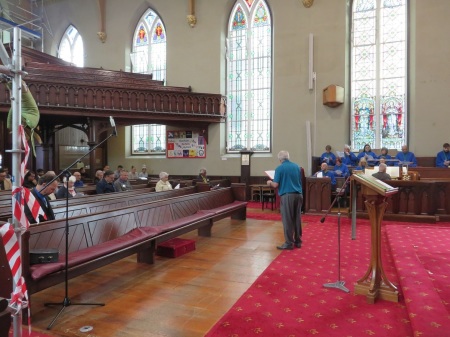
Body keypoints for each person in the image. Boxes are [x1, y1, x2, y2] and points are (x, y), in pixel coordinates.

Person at [266, 150, 303, 250]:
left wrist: (269, 182)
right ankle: (298, 241)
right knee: (297, 218)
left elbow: (276, 184)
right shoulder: (296, 167)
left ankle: (289, 243)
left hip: (287, 196)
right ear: (288, 157)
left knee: (287, 219)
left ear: (280, 159)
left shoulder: (280, 168)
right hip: (298, 195)